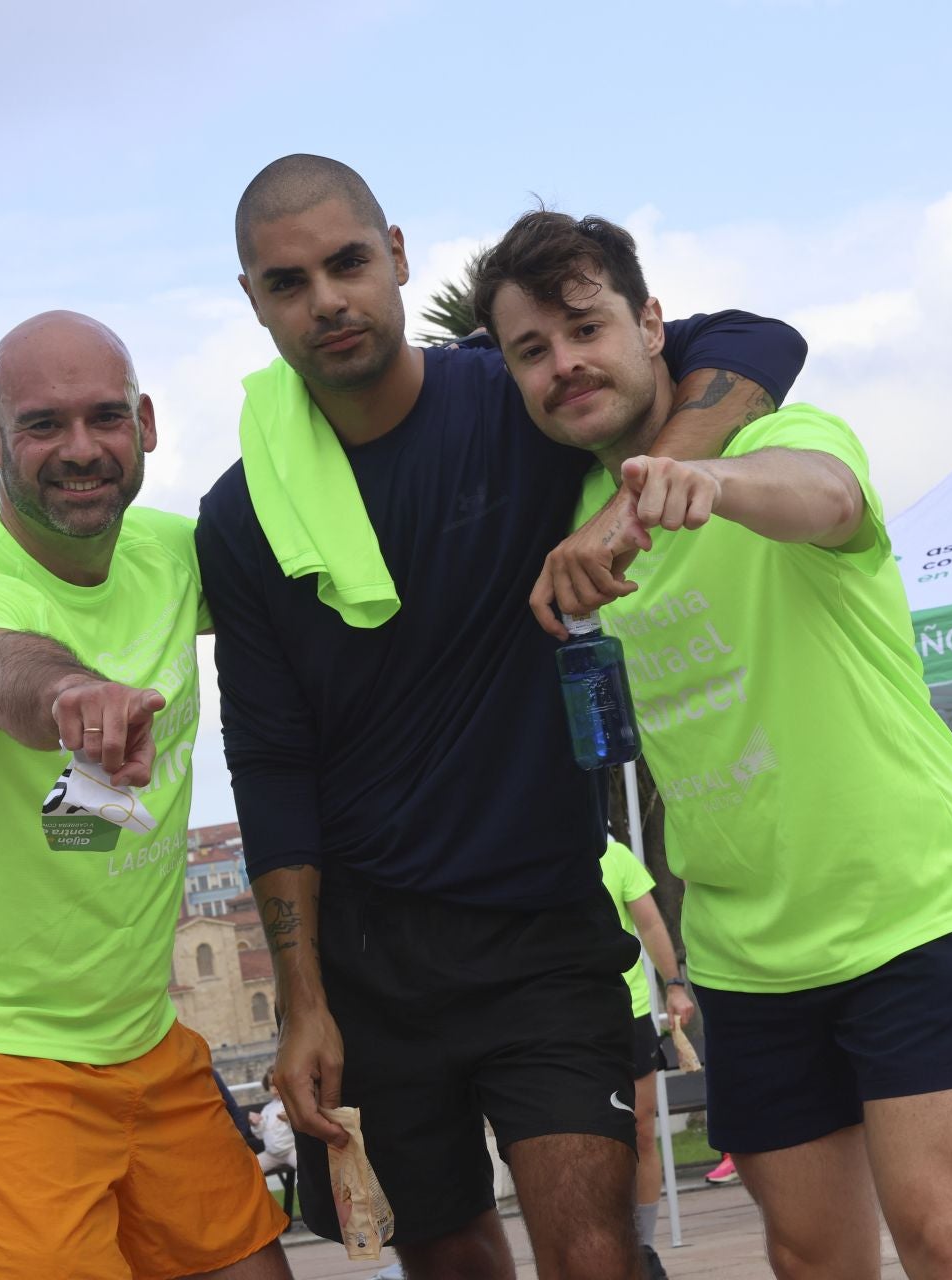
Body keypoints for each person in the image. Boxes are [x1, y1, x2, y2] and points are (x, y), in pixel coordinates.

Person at [196, 154, 806, 1280]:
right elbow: (267, 763)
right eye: (289, 283)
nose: (327, 299)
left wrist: (629, 509)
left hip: (544, 928)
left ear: (397, 258)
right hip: (371, 957)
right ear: (255, 303)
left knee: (592, 1254)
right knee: (451, 1262)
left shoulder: (519, 399)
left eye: (348, 263)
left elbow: (756, 341)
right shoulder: (243, 516)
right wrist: (302, 1006)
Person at [472, 212, 952, 1280]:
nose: (565, 363)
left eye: (586, 328)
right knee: (811, 1256)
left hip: (907, 903)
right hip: (746, 952)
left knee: (945, 1236)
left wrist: (711, 486)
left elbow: (833, 496)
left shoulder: (768, 444)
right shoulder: (572, 521)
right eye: (532, 350)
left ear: (653, 323)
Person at [0, 311, 290, 1280]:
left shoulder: (177, 554)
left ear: (144, 422)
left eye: (104, 417)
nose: (82, 449)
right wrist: (65, 694)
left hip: (140, 1037)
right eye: (44, 424)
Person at [598, 839, 695, 1280]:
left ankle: (644, 1248)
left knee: (641, 1127)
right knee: (590, 1138)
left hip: (631, 1011)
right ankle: (601, 1240)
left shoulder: (615, 854)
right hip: (569, 1022)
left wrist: (674, 983)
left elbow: (651, 924)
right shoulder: (536, 849)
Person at [250, 1068, 298, 1176]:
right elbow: (260, 1135)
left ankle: (307, 1190)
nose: (276, 1088)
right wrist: (256, 1124)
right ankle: (257, 1191)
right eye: (272, 1085)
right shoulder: (267, 1109)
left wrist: (289, 1120)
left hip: (291, 1150)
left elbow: (300, 1127)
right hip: (271, 1154)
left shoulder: (292, 1104)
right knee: (250, 1168)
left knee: (305, 1168)